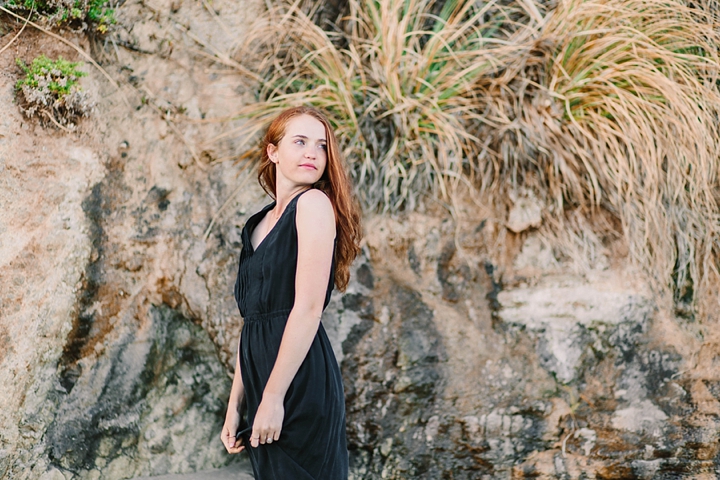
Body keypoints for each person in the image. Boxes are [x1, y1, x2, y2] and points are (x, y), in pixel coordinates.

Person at [220, 106, 362, 479]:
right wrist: (236, 403)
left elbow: (308, 310)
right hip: (264, 385)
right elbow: (252, 323)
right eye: (299, 142)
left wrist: (272, 397)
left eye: (321, 145)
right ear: (273, 152)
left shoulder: (314, 205)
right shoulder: (256, 225)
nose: (312, 153)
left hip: (297, 385)